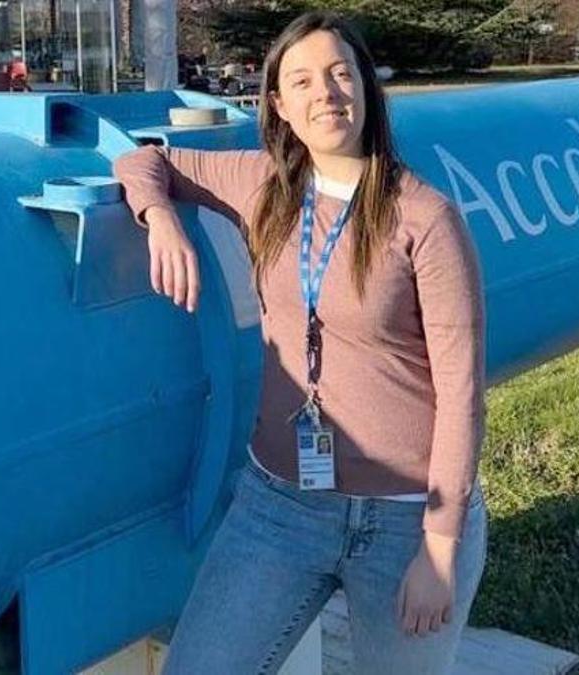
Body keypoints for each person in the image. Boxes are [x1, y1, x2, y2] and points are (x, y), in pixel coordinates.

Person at [112, 11, 487, 674]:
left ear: (368, 89)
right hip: (280, 507)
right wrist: (160, 217)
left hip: (404, 521)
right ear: (280, 105)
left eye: (342, 74)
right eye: (305, 80)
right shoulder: (263, 187)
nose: (328, 93)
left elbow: (461, 393)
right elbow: (143, 160)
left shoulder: (425, 219)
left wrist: (439, 544)